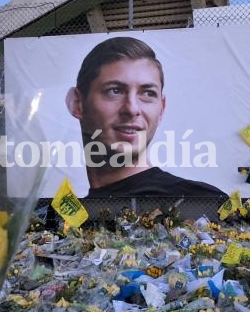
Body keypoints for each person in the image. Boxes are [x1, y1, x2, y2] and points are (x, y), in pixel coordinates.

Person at [65, 36, 225, 199]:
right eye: (115, 91)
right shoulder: (66, 218)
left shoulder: (201, 203)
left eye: (148, 93)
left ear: (161, 108)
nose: (132, 108)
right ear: (77, 103)